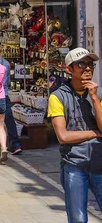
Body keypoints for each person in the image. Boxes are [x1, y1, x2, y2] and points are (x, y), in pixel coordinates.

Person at [48, 48, 102, 222]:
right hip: (74, 163)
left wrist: (94, 98)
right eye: (81, 64)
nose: (87, 68)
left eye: (90, 64)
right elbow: (63, 136)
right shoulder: (57, 97)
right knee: (78, 219)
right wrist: (95, 132)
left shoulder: (99, 94)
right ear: (69, 69)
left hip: (99, 162)